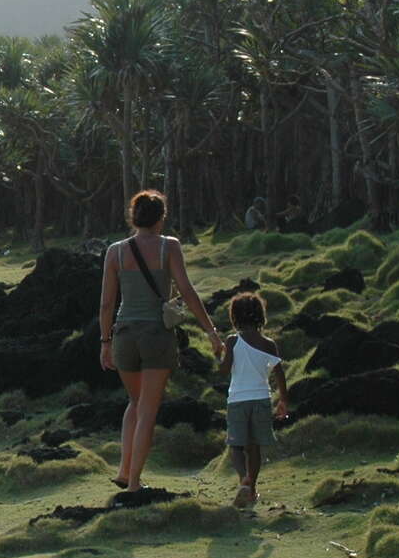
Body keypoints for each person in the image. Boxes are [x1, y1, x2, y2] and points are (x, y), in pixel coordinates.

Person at [98, 189, 224, 493]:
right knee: (148, 410)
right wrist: (210, 331)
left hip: (124, 335)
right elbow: (187, 291)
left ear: (133, 216)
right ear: (161, 217)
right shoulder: (170, 247)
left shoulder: (115, 251)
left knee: (135, 402)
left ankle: (124, 470)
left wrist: (104, 342)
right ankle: (134, 483)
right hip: (156, 335)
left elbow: (105, 304)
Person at [218, 291, 291, 509]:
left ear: (234, 316)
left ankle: (243, 479)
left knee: (236, 444)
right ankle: (253, 488)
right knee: (254, 447)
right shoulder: (269, 344)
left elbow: (223, 371)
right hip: (261, 398)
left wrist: (218, 355)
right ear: (260, 314)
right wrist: (283, 401)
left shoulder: (232, 341)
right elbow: (280, 376)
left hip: (237, 400)